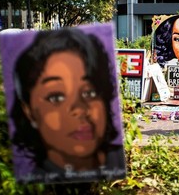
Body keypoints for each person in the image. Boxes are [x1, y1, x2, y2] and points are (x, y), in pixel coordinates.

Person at [11, 27, 126, 183]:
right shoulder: (34, 182)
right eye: (56, 97)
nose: (79, 109)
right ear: (29, 111)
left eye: (90, 93)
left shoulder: (120, 162)